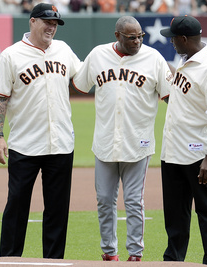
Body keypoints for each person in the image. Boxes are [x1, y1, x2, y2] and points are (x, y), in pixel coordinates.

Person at [71, 16, 172, 262]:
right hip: (105, 142)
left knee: (134, 201)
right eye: (131, 37)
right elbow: (80, 84)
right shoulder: (98, 55)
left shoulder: (154, 59)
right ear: (117, 35)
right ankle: (109, 252)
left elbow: (171, 97)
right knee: (104, 200)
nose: (137, 41)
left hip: (138, 142)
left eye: (140, 36)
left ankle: (135, 254)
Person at [0, 3, 81, 259]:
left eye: (55, 23)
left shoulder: (63, 50)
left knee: (57, 210)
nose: (51, 27)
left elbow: (83, 76)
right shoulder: (11, 55)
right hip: (24, 144)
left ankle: (53, 262)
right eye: (47, 22)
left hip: (61, 143)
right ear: (32, 22)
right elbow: (0, 98)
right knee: (17, 206)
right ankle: (9, 259)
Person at [159, 15, 207, 266]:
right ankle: (173, 260)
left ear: (183, 39)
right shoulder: (185, 61)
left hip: (197, 154)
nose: (170, 42)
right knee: (175, 214)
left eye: (172, 39)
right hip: (172, 151)